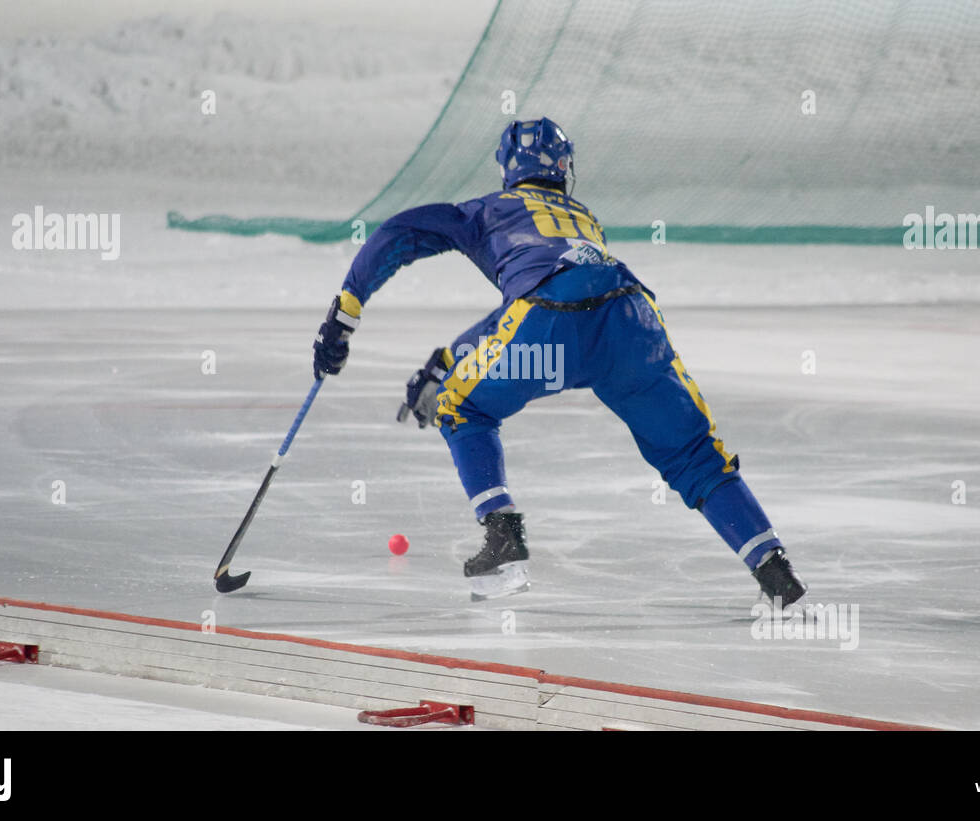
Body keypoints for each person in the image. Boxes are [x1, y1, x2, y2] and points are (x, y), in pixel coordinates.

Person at [313, 117, 806, 605]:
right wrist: (449, 356)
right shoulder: (583, 217)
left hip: (550, 336)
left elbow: (402, 232)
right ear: (564, 169)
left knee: (461, 407)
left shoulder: (489, 209)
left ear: (507, 167)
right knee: (692, 452)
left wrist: (345, 314)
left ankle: (504, 537)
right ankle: (773, 569)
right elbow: (548, 295)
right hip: (631, 322)